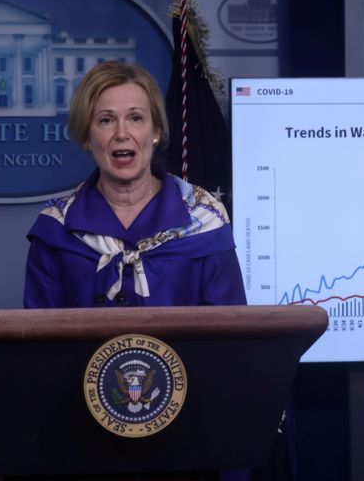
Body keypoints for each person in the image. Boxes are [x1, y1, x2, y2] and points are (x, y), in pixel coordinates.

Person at [23, 60, 246, 309]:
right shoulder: (55, 229)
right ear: (87, 137)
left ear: (156, 131)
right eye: (106, 120)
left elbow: (229, 337)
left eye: (135, 118)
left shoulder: (205, 220)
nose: (122, 133)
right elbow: (41, 343)